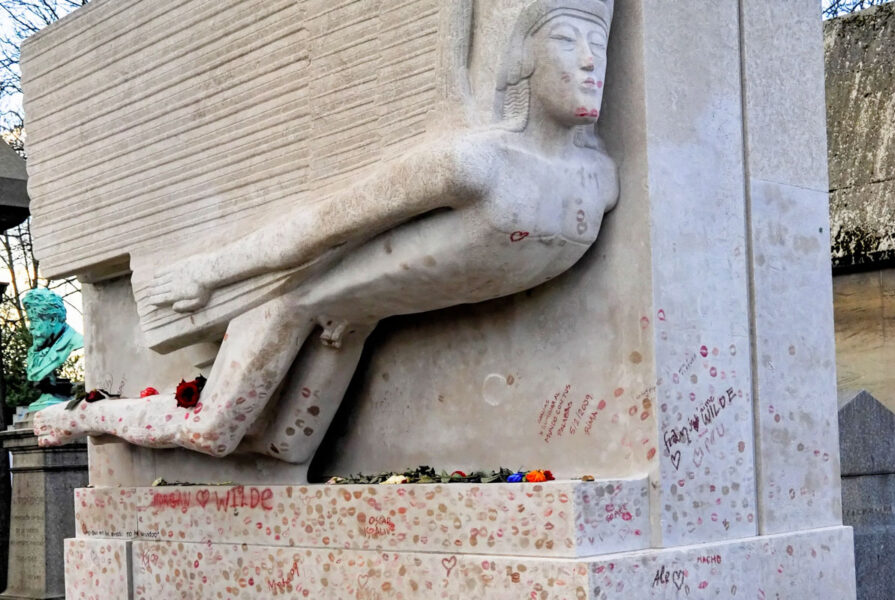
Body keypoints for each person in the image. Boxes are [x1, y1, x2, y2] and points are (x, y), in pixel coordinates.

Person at [36, 0, 618, 479]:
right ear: (520, 58)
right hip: (289, 300)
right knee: (213, 431)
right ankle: (86, 418)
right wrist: (207, 273)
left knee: (285, 450)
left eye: (599, 40)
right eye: (567, 40)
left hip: (349, 322)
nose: (592, 61)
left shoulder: (601, 183)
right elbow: (320, 226)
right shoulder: (474, 163)